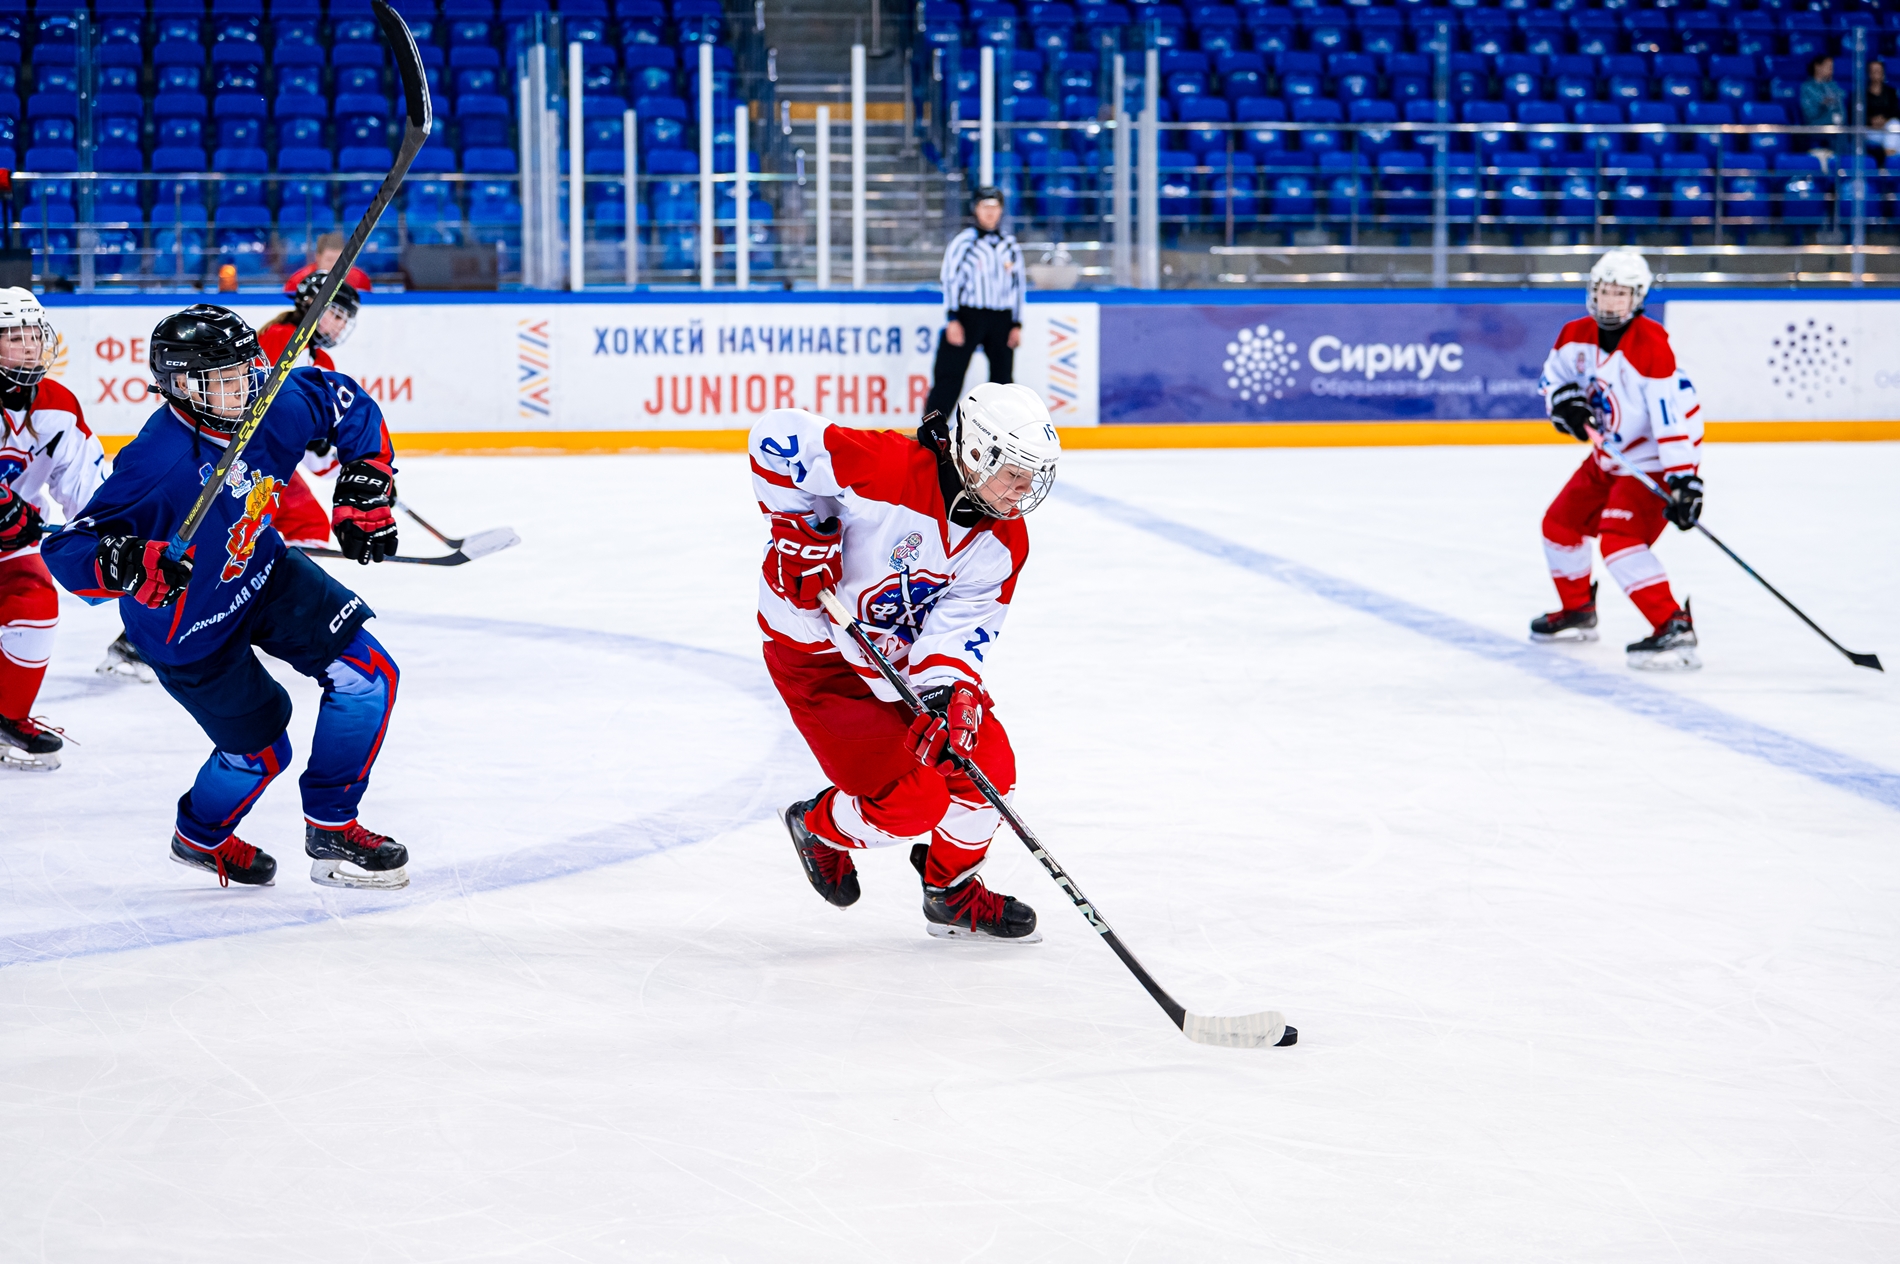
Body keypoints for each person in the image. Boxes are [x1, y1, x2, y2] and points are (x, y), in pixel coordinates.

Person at [43, 305, 409, 889]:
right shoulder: (158, 463)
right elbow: (69, 547)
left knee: (369, 676)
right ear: (182, 387)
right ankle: (199, 837)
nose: (247, 386)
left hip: (262, 573)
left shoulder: (273, 405)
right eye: (226, 379)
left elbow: (345, 403)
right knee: (262, 753)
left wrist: (366, 479)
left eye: (249, 369)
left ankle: (333, 824)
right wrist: (128, 562)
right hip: (186, 627)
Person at [753, 381, 1061, 940]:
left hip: (897, 661)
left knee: (987, 769)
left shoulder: (1004, 543)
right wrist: (798, 527)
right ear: (975, 453)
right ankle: (819, 827)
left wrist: (948, 695)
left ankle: (950, 891)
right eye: (1014, 471)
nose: (1023, 491)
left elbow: (960, 630)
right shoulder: (886, 468)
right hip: (822, 659)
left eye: (1031, 476)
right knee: (914, 804)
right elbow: (777, 436)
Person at [1532, 250, 1706, 671]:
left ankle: (1672, 624)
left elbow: (1670, 419)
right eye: (1604, 292)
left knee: (1620, 541)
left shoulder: (1651, 346)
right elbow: (1553, 379)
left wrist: (1683, 479)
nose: (1610, 302)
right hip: (1610, 452)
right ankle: (1577, 610)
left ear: (1638, 298)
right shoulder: (1575, 333)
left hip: (1654, 458)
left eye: (1621, 294)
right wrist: (1565, 404)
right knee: (1559, 526)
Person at [0, 287, 106, 770]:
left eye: (33, 335)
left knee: (37, 600)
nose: (29, 346)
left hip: (11, 543)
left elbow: (83, 483)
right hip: (11, 528)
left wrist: (110, 527)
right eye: (13, 336)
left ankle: (7, 715)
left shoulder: (58, 404)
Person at [256, 270, 364, 548]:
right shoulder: (283, 337)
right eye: (336, 315)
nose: (340, 326)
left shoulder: (321, 358)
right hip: (245, 454)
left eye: (344, 319)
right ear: (312, 304)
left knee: (309, 524)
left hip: (266, 454)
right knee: (308, 524)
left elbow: (318, 459)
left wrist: (362, 471)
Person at [923, 187, 1027, 425]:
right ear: (975, 209)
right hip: (968, 316)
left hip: (1002, 318)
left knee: (1003, 382)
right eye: (985, 207)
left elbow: (1018, 288)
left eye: (994, 207)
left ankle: (1003, 432)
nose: (990, 213)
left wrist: (1016, 323)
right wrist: (952, 318)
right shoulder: (964, 243)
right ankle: (932, 433)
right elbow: (950, 281)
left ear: (1001, 210)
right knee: (949, 376)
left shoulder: (1009, 245)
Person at [282, 232, 373, 297]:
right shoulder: (298, 281)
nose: (335, 266)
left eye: (340, 261)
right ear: (318, 257)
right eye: (329, 260)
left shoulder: (360, 279)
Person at [1801, 55, 1846, 129]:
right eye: (1829, 67)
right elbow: (1810, 113)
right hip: (1816, 125)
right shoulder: (1807, 87)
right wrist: (1822, 104)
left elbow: (1841, 99)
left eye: (1832, 67)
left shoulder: (1832, 85)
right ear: (1817, 67)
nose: (1831, 70)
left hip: (1835, 125)